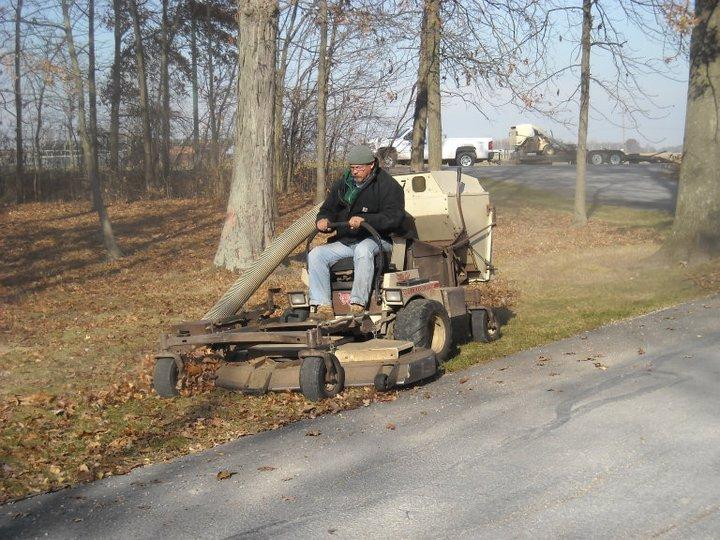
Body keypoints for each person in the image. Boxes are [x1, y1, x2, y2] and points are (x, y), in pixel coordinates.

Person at [309, 144, 405, 317]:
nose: (354, 172)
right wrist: (322, 220)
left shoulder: (387, 186)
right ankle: (323, 306)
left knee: (363, 250)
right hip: (347, 241)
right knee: (316, 254)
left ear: (372, 165)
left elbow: (394, 217)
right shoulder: (343, 185)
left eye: (359, 168)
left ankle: (357, 303)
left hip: (378, 240)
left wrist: (366, 221)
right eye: (352, 168)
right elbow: (327, 209)